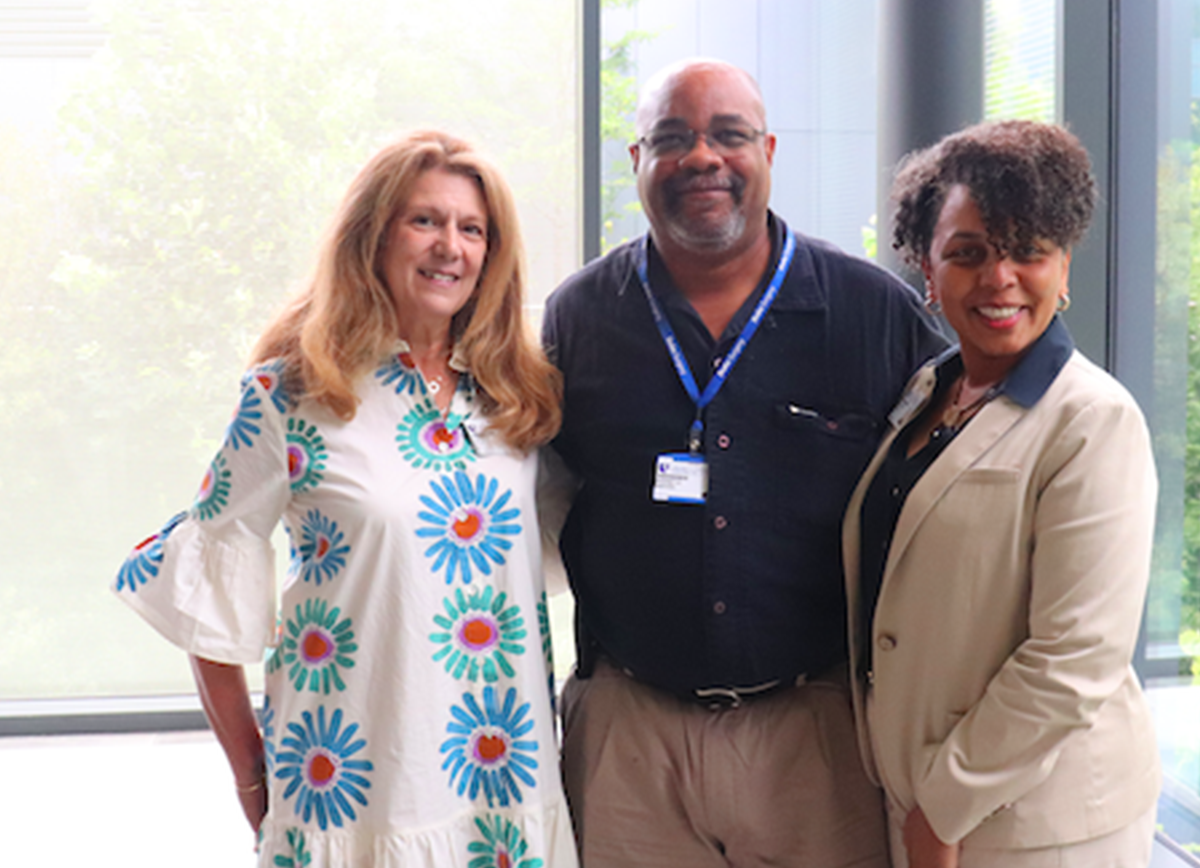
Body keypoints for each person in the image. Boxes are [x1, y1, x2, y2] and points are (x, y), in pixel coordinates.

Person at [113, 130, 578, 868]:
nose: (448, 247)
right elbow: (202, 590)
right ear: (374, 236)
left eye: (471, 229)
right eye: (424, 220)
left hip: (505, 794)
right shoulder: (292, 393)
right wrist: (252, 778)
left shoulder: (519, 398)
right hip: (351, 799)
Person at [542, 57, 946, 867]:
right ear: (636, 161)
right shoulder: (579, 316)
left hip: (816, 731)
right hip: (630, 736)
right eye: (672, 138)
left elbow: (965, 479)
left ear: (766, 150)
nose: (702, 159)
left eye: (728, 136)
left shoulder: (870, 312)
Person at [842, 120, 1161, 868]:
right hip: (923, 800)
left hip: (1037, 823)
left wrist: (944, 807)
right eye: (970, 253)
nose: (999, 278)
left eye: (1028, 250)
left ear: (1064, 265)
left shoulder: (1094, 420)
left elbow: (1074, 655)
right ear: (928, 268)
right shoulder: (931, 390)